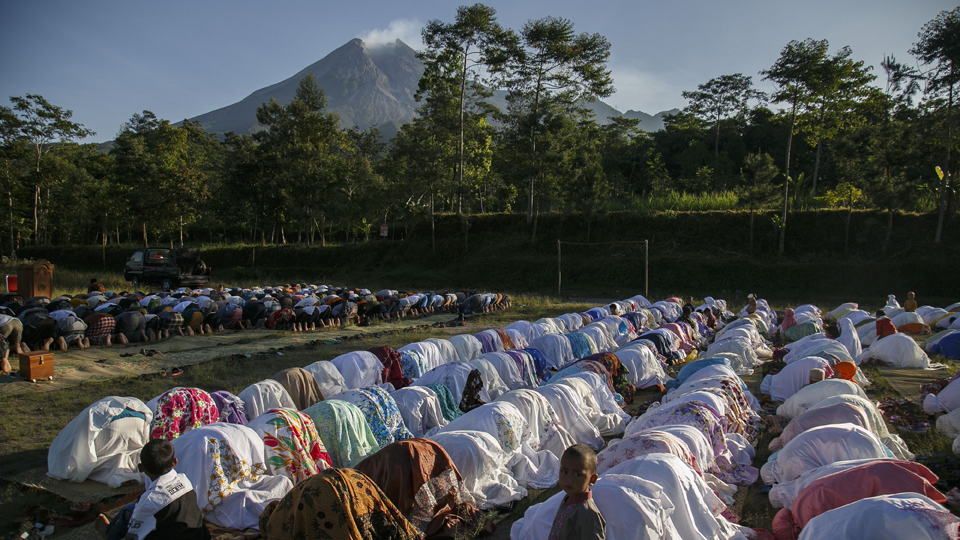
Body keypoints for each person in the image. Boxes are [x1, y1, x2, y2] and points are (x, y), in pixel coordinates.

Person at [94, 439, 210, 540]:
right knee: (131, 510)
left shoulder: (149, 500)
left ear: (141, 468)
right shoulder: (184, 480)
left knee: (131, 513)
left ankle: (108, 533)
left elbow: (133, 537)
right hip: (200, 535)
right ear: (174, 462)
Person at [550, 444, 605, 540]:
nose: (569, 479)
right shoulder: (568, 499)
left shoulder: (587, 513)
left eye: (577, 474)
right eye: (564, 472)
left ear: (592, 479)